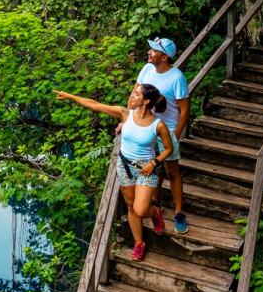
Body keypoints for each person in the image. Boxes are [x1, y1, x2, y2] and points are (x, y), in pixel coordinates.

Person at [57, 84, 173, 261]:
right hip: (125, 165)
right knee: (131, 206)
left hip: (146, 169)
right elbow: (95, 104)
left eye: (136, 94)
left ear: (146, 101)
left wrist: (154, 163)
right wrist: (70, 96)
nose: (132, 96)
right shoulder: (126, 114)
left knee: (140, 209)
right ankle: (139, 243)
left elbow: (168, 149)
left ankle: (155, 213)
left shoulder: (158, 125)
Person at [127, 37, 190, 234]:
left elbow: (184, 109)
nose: (149, 52)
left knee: (172, 171)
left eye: (153, 50)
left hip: (168, 130)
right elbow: (133, 96)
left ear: (164, 57)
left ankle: (179, 212)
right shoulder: (146, 70)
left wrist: (176, 134)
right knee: (152, 169)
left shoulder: (176, 77)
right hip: (147, 127)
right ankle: (156, 202)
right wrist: (127, 121)